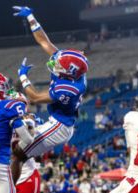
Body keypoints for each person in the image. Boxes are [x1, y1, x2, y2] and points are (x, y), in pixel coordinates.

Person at [11, 6, 88, 179]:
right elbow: (44, 42)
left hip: (60, 126)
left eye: (60, 65)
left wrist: (23, 77)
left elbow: (35, 97)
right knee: (19, 148)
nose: (55, 64)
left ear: (69, 73)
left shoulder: (69, 89)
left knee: (18, 154)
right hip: (56, 119)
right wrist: (31, 17)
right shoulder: (71, 72)